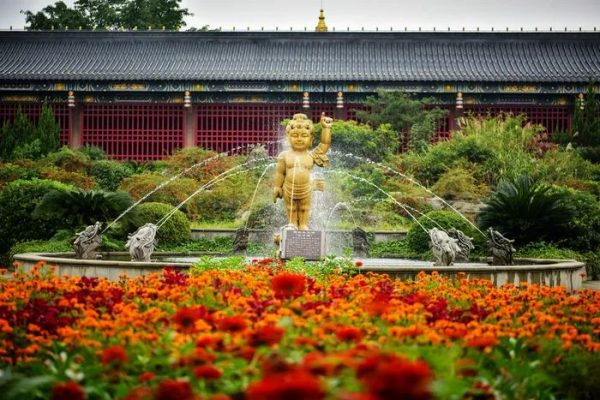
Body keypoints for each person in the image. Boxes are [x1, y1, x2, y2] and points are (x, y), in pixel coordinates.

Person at [273, 112, 332, 230]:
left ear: (311, 139)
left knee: (305, 207)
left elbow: (325, 144)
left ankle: (304, 225)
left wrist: (326, 128)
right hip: (288, 187)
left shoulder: (311, 154)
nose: (299, 139)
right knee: (291, 208)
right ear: (288, 137)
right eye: (295, 135)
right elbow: (280, 172)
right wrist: (277, 187)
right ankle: (292, 224)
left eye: (304, 136)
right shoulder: (284, 155)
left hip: (307, 187)